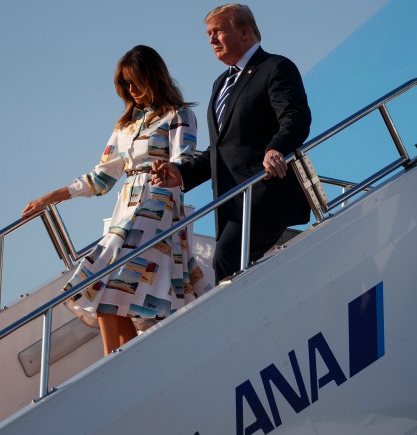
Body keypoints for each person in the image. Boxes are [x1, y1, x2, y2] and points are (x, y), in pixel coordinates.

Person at [21, 45, 211, 355]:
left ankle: (112, 362)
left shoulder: (179, 114)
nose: (131, 90)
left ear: (153, 77)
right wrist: (51, 197)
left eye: (135, 81)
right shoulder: (124, 126)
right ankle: (123, 360)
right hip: (127, 207)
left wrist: (167, 169)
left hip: (158, 204)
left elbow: (185, 160)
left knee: (104, 285)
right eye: (125, 84)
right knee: (110, 296)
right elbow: (100, 179)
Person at [153, 3, 312, 282]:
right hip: (230, 202)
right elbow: (220, 149)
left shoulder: (275, 67)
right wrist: (182, 173)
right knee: (233, 267)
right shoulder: (220, 84)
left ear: (245, 33)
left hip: (265, 192)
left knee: (226, 260)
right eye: (209, 34)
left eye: (219, 31)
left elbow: (295, 117)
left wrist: (276, 147)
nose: (212, 39)